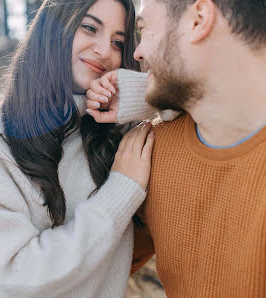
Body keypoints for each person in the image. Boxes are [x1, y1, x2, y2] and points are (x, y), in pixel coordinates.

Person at [0, 0, 160, 297]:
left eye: (117, 42)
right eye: (89, 28)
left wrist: (142, 95)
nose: (104, 51)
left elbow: (200, 111)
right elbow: (18, 278)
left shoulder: (120, 140)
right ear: (52, 30)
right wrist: (120, 191)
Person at [86, 0, 266, 296]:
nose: (136, 53)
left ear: (198, 19)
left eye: (144, 30)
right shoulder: (152, 152)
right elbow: (82, 273)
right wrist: (145, 91)